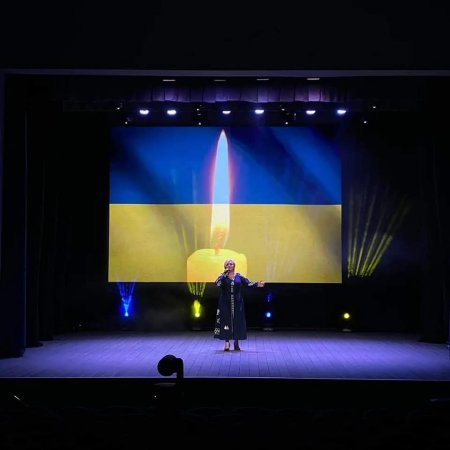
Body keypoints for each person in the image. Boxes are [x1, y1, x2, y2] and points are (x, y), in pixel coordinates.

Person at [214, 259, 265, 351]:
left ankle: (236, 342)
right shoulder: (222, 277)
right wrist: (223, 275)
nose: (229, 265)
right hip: (225, 303)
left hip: (237, 302)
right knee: (226, 321)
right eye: (228, 264)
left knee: (237, 321)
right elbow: (217, 284)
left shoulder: (239, 276)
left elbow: (248, 283)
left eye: (231, 264)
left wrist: (257, 284)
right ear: (225, 266)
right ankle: (226, 342)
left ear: (234, 266)